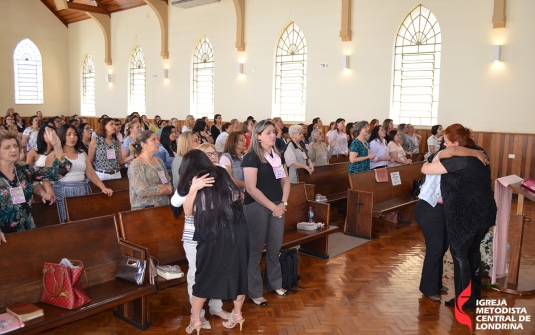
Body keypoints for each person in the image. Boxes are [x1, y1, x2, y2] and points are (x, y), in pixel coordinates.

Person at [421, 124, 496, 310]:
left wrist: (431, 159)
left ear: (456, 144)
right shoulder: (480, 152)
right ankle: (474, 296)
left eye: (446, 142)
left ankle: (464, 301)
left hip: (465, 216)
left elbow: (425, 169)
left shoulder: (457, 161)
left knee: (460, 256)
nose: (443, 145)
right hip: (483, 213)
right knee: (473, 253)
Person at [173, 150, 247, 333]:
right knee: (238, 273)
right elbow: (240, 196)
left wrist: (194, 189)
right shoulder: (221, 171)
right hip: (236, 228)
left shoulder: (193, 180)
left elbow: (188, 212)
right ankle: (237, 315)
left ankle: (195, 320)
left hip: (211, 232)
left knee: (203, 276)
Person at [242, 120, 291, 305]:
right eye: (269, 132)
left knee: (274, 247)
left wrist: (283, 202)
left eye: (274, 132)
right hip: (256, 206)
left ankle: (275, 283)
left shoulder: (278, 156)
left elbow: (285, 181)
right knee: (254, 251)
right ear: (258, 136)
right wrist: (274, 207)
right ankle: (255, 291)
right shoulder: (252, 157)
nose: (273, 135)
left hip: (278, 205)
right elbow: (250, 188)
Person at [0, 129, 70, 243]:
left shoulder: (24, 170)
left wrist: (57, 146)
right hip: (3, 237)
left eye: (15, 146)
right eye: (7, 147)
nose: (13, 150)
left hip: (27, 230)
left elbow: (60, 171)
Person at [45, 124, 113, 222]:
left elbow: (90, 173)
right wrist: (49, 192)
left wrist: (103, 187)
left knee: (82, 220)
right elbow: (46, 178)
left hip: (82, 189)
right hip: (63, 191)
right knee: (66, 220)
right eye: (68, 134)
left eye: (75, 134)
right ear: (62, 136)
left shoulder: (82, 153)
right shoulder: (54, 155)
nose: (72, 137)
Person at [128, 131, 173, 209]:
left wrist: (168, 189)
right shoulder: (136, 164)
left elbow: (167, 181)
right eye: (154, 139)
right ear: (144, 144)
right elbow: (141, 190)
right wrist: (160, 188)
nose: (158, 142)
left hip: (163, 205)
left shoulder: (159, 161)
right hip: (145, 209)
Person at [26, 125, 57, 203]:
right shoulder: (34, 152)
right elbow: (28, 173)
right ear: (41, 135)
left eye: (53, 133)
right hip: (40, 186)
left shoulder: (59, 151)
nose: (51, 136)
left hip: (57, 184)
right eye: (48, 133)